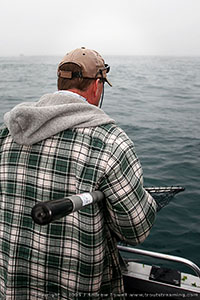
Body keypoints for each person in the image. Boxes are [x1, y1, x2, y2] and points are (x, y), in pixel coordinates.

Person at [0, 47, 157, 300]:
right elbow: (136, 231)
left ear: (60, 82)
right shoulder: (111, 142)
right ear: (96, 85)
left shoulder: (6, 134)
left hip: (13, 288)